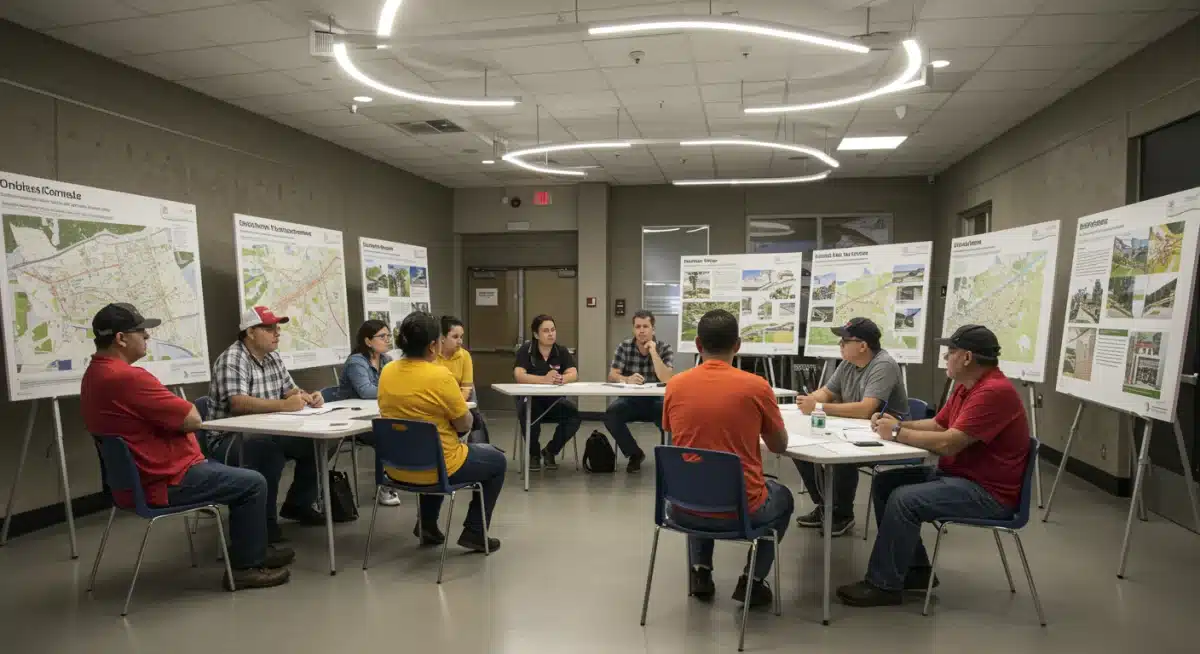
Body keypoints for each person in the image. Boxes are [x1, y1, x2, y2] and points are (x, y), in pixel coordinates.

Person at [80, 303, 291, 589]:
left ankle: (256, 548)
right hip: (165, 480)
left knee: (262, 458)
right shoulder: (129, 377)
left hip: (134, 481)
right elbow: (192, 418)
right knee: (253, 483)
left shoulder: (94, 374)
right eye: (142, 332)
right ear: (121, 338)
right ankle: (246, 566)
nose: (147, 337)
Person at [836, 324, 1031, 607]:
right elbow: (939, 424)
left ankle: (884, 584)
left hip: (988, 492)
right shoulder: (967, 387)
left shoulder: (993, 392)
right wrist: (898, 424)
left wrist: (895, 433)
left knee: (904, 499)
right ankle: (916, 571)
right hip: (959, 476)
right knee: (885, 483)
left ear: (966, 357)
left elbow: (949, 443)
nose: (945, 358)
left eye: (950, 352)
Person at [663, 309, 793, 608]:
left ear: (697, 344)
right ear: (738, 345)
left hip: (681, 507)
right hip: (742, 510)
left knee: (699, 477)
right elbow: (779, 446)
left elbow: (674, 438)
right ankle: (753, 581)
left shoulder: (676, 385)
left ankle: (700, 571)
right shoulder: (757, 387)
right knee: (783, 498)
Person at [378, 311, 505, 552]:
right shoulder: (440, 376)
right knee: (496, 460)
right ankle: (475, 531)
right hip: (438, 467)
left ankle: (427, 525)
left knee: (428, 451)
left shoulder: (387, 371)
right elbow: (465, 424)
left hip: (396, 468)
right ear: (433, 345)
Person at [207, 306, 329, 542]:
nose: (277, 332)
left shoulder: (273, 357)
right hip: (230, 439)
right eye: (269, 328)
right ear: (250, 332)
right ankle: (264, 525)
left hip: (270, 431)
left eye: (277, 327)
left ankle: (298, 504)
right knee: (267, 452)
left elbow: (289, 389)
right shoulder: (232, 359)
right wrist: (285, 405)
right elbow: (238, 403)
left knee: (318, 443)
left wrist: (307, 396)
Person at [792, 317, 909, 537]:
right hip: (853, 429)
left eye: (845, 341)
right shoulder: (848, 363)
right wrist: (807, 401)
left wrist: (818, 406)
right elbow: (827, 391)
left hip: (888, 438)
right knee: (800, 451)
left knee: (843, 456)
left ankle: (842, 514)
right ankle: (827, 506)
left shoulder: (883, 365)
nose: (840, 346)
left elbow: (867, 409)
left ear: (863, 346)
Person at [335, 319, 401, 506]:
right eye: (382, 336)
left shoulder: (387, 360)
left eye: (388, 336)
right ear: (368, 341)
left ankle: (399, 478)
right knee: (386, 434)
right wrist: (394, 390)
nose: (387, 340)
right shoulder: (357, 361)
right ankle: (385, 487)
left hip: (373, 415)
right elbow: (366, 391)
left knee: (399, 429)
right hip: (350, 420)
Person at [604, 309, 674, 472]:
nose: (641, 330)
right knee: (611, 415)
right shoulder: (625, 346)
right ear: (633, 329)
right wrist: (627, 379)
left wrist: (653, 352)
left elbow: (667, 378)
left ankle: (669, 458)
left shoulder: (664, 347)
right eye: (637, 327)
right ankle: (634, 453)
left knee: (671, 418)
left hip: (656, 401)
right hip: (630, 400)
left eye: (645, 326)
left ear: (653, 329)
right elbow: (612, 374)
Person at [513, 314, 582, 471]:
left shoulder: (561, 351)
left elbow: (574, 374)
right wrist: (543, 379)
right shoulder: (526, 350)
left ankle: (550, 451)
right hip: (532, 400)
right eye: (546, 331)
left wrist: (562, 379)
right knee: (528, 413)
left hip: (555, 401)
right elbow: (519, 375)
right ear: (536, 334)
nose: (551, 334)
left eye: (553, 330)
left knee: (574, 416)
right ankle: (534, 454)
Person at [438, 315, 489, 444]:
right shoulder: (432, 355)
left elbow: (466, 388)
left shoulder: (465, 355)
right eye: (455, 337)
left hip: (459, 402)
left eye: (461, 337)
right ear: (442, 338)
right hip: (437, 402)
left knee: (470, 413)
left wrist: (453, 407)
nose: (460, 341)